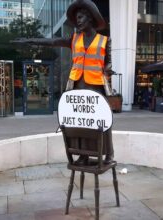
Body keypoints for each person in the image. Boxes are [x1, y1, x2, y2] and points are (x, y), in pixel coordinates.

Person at [13, 0, 113, 164]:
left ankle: (109, 154)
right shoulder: (74, 38)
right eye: (77, 18)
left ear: (90, 18)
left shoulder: (104, 40)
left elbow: (108, 62)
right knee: (79, 122)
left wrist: (108, 69)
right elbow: (52, 42)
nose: (77, 21)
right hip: (77, 86)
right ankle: (83, 154)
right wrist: (29, 40)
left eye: (80, 17)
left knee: (102, 121)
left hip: (96, 87)